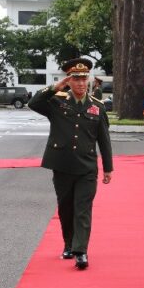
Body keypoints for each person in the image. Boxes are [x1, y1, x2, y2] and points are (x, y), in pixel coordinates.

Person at [28, 58, 113, 270]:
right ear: (69, 81)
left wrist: (108, 167)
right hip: (62, 164)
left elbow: (104, 139)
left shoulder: (97, 107)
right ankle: (68, 243)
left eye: (84, 79)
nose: (81, 83)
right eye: (76, 79)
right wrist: (55, 87)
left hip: (87, 167)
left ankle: (81, 251)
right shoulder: (57, 101)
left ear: (89, 81)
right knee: (66, 208)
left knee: (82, 209)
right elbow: (34, 103)